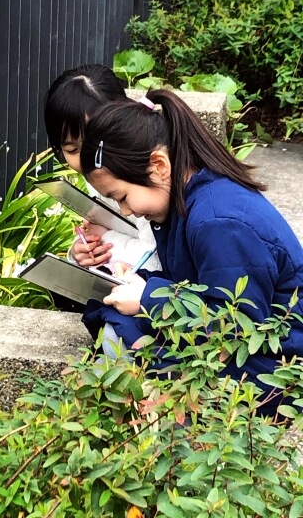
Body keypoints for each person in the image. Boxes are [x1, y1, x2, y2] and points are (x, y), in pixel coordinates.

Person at [79, 88, 303, 414]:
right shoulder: (187, 202)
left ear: (159, 165)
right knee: (114, 315)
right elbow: (196, 284)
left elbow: (232, 330)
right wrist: (140, 283)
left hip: (280, 366)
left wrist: (147, 299)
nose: (125, 211)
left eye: (122, 197)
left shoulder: (218, 221)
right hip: (251, 343)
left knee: (127, 338)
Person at [43, 64, 161, 313]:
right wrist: (82, 252)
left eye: (93, 146)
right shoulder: (97, 171)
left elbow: (157, 252)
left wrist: (107, 238)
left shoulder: (143, 175)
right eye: (73, 150)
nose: (87, 161)